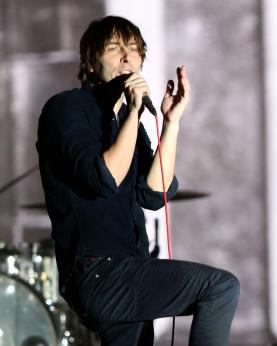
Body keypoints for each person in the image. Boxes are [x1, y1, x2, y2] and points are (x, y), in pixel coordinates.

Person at [36, 16, 239, 346]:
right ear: (91, 60)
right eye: (115, 49)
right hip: (97, 271)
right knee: (219, 287)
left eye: (134, 50)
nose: (127, 58)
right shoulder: (68, 108)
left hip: (129, 268)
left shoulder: (130, 123)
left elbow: (154, 195)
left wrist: (171, 124)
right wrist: (133, 113)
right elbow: (104, 179)